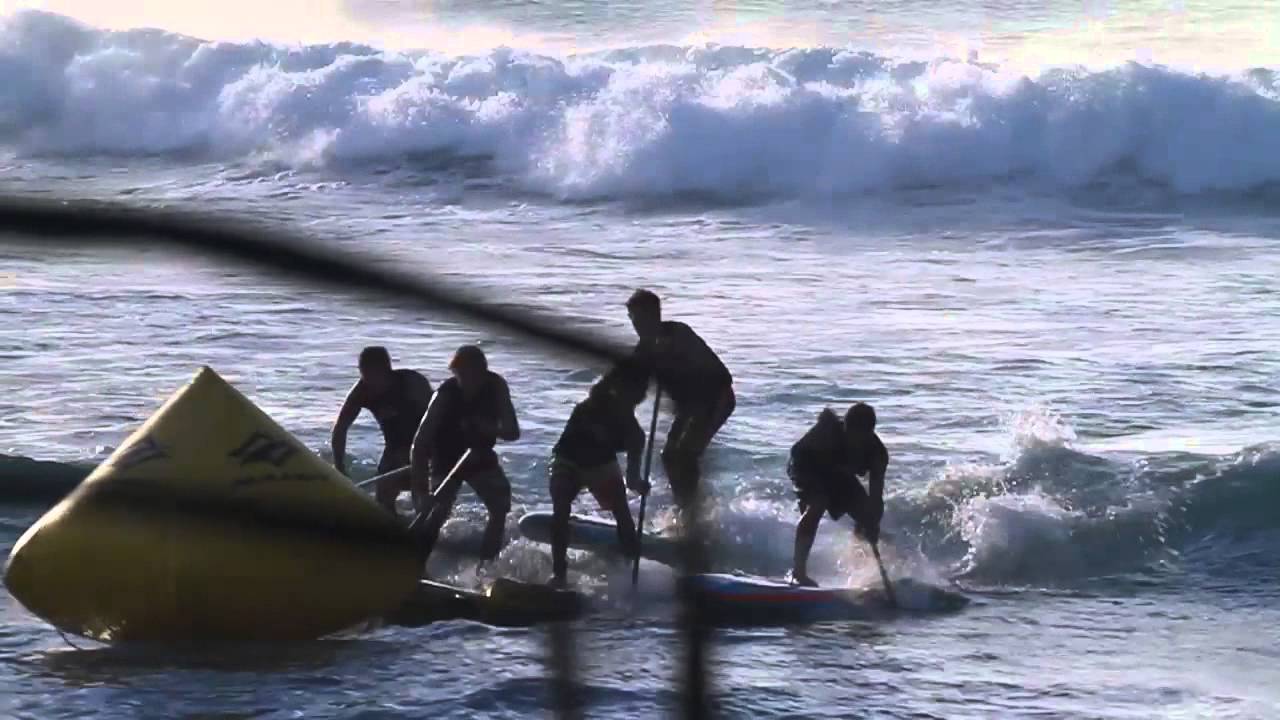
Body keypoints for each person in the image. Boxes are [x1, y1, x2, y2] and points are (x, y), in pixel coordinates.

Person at [625, 289, 735, 510]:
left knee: (685, 455)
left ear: (654, 316)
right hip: (688, 407)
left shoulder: (679, 332)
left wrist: (665, 357)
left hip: (716, 397)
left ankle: (694, 513)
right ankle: (685, 506)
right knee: (668, 457)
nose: (637, 326)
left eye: (640, 319)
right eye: (633, 320)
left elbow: (719, 375)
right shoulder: (643, 351)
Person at [409, 345, 519, 562]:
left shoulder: (496, 386)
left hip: (479, 453)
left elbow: (513, 432)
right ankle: (416, 562)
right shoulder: (444, 395)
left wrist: (489, 429)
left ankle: (486, 567)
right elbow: (419, 445)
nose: (465, 382)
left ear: (482, 372)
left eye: (470, 376)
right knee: (437, 511)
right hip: (446, 456)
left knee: (499, 507)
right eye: (460, 376)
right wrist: (420, 491)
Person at [546, 364, 651, 588]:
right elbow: (603, 387)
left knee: (622, 511)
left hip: (601, 466)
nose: (624, 399)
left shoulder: (635, 435)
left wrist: (640, 485)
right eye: (621, 391)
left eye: (631, 396)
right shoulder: (590, 406)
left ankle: (630, 569)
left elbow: (632, 480)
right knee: (561, 505)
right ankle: (559, 574)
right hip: (568, 460)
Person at [788, 402, 888, 588]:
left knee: (867, 517)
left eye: (860, 437)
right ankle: (798, 572)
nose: (854, 442)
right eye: (851, 434)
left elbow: (876, 497)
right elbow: (798, 456)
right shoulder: (826, 434)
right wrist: (808, 497)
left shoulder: (878, 454)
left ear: (870, 433)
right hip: (807, 465)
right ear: (845, 427)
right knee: (818, 504)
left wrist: (872, 523)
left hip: (839, 475)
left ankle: (860, 572)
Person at [331, 346, 433, 513]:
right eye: (364, 374)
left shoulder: (412, 383)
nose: (368, 381)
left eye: (372, 374)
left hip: (426, 444)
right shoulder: (362, 391)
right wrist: (339, 466)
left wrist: (426, 454)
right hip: (394, 447)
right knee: (382, 499)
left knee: (420, 494)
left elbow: (438, 418)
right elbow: (340, 429)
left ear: (387, 370)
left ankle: (428, 525)